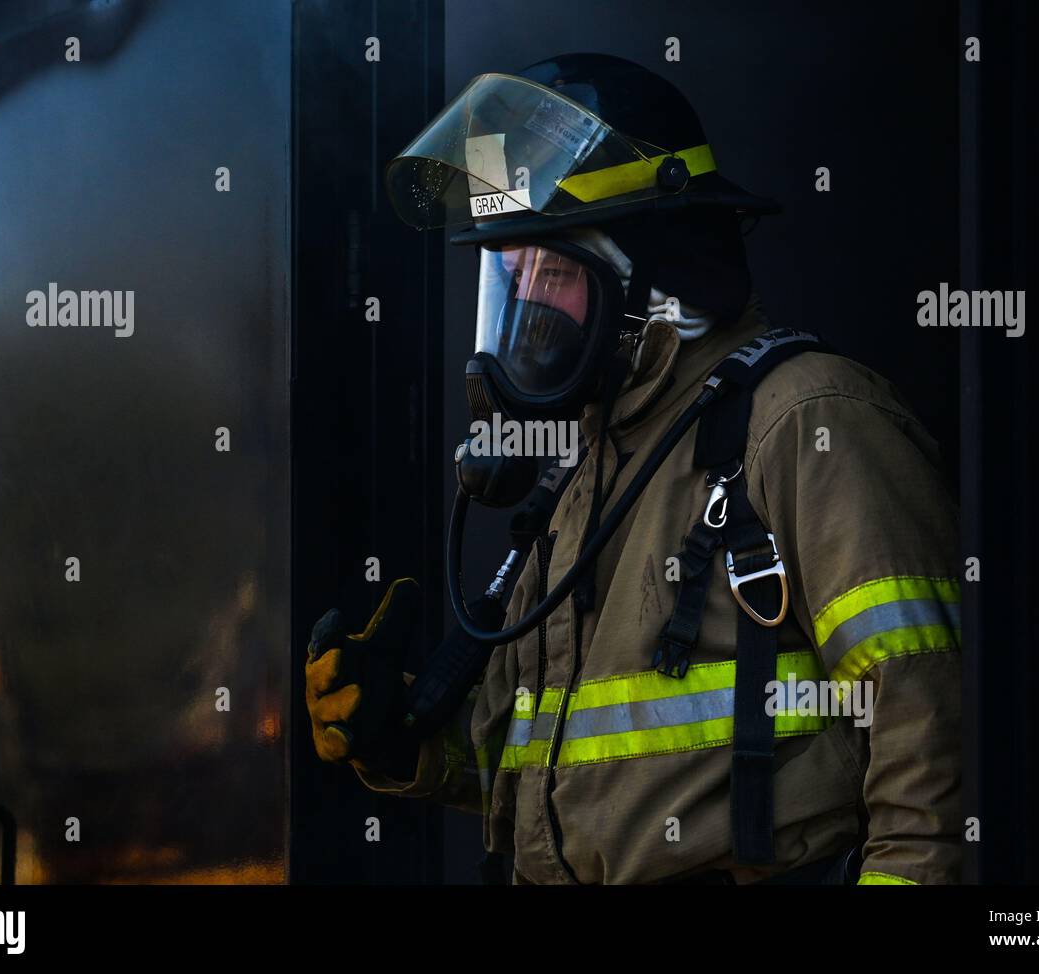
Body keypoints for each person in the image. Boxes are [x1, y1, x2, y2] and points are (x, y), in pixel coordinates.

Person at [305, 53, 961, 885]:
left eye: (552, 270)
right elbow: (565, 774)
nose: (525, 305)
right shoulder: (590, 464)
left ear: (654, 277)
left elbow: (931, 759)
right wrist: (406, 740)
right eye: (510, 276)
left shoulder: (808, 421)